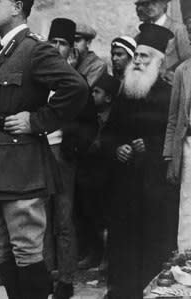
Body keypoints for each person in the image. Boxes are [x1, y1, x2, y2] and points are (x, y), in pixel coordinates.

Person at [0, 0, 88, 298]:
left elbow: (75, 87)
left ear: (16, 7)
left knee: (26, 250)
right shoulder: (4, 49)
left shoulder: (34, 48)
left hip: (21, 162)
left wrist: (37, 121)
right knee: (2, 249)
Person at [101, 23, 179, 299]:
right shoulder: (125, 92)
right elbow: (108, 134)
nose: (138, 62)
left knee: (152, 247)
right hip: (124, 188)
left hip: (155, 189)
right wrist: (116, 148)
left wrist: (152, 146)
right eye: (137, 56)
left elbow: (176, 138)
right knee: (122, 246)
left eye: (145, 57)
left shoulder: (169, 94)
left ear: (158, 61)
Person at [46, 17, 98, 299]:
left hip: (63, 155)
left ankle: (65, 279)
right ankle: (43, 274)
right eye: (52, 42)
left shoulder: (76, 81)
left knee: (63, 219)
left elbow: (90, 124)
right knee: (38, 216)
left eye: (63, 43)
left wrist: (73, 144)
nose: (57, 48)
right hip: (37, 153)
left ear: (71, 50)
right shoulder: (38, 78)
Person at [75, 72, 121, 270]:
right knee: (90, 215)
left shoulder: (117, 118)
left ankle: (107, 258)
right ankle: (94, 254)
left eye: (97, 92)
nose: (92, 95)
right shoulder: (91, 117)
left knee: (107, 218)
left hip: (109, 176)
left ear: (109, 97)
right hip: (91, 175)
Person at [164, 57, 191, 252]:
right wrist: (170, 154)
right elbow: (173, 117)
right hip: (188, 143)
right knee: (188, 203)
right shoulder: (183, 70)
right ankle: (186, 258)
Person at [135, 0, 191, 82]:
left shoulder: (178, 29)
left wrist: (169, 72)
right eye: (144, 4)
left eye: (152, 3)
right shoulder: (142, 33)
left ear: (164, 5)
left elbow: (187, 59)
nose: (148, 7)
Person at [74, 23, 108, 87]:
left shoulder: (98, 65)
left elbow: (83, 90)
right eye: (71, 40)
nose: (73, 44)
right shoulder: (68, 60)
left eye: (77, 40)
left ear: (88, 42)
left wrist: (71, 68)